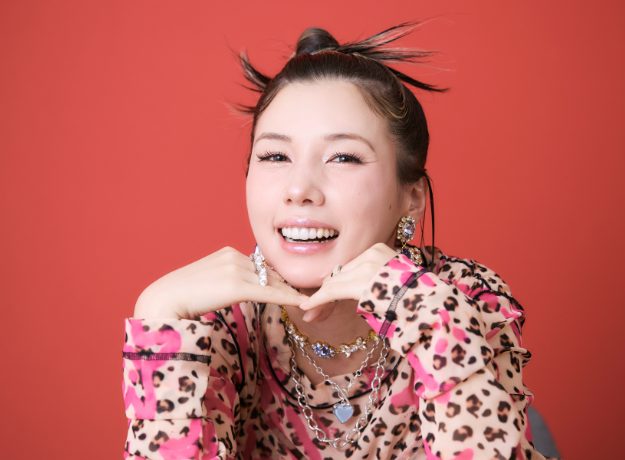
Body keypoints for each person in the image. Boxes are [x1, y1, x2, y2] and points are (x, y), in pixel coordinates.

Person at [121, 20, 554, 459]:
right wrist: (158, 316)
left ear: (411, 198)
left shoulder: (463, 299)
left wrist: (428, 318)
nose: (299, 188)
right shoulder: (219, 323)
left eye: (343, 157)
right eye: (275, 155)